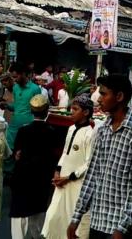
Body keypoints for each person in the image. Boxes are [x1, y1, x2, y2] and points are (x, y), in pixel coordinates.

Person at [68, 74, 132, 239]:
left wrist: (122, 227)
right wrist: (76, 217)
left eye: (104, 94)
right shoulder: (102, 129)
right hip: (97, 220)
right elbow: (92, 174)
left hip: (118, 225)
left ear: (119, 97)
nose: (99, 99)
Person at [42, 94, 95, 239]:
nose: (71, 112)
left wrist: (70, 177)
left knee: (71, 219)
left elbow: (89, 162)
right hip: (62, 180)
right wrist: (58, 171)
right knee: (53, 216)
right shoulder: (71, 128)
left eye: (75, 109)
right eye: (72, 108)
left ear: (85, 112)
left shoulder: (90, 134)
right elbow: (65, 151)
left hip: (76, 184)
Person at [10, 94, 58, 239]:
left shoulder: (23, 131)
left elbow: (16, 154)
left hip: (23, 177)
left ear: (31, 111)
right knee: (38, 215)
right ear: (47, 111)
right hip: (41, 179)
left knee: (19, 217)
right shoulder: (52, 132)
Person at [4, 62, 41, 174]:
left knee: (24, 153)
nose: (14, 80)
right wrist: (7, 106)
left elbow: (38, 109)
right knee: (9, 150)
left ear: (24, 74)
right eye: (13, 77)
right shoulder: (15, 88)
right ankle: (8, 175)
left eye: (16, 77)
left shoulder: (35, 89)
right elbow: (16, 106)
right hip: (14, 125)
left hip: (28, 127)